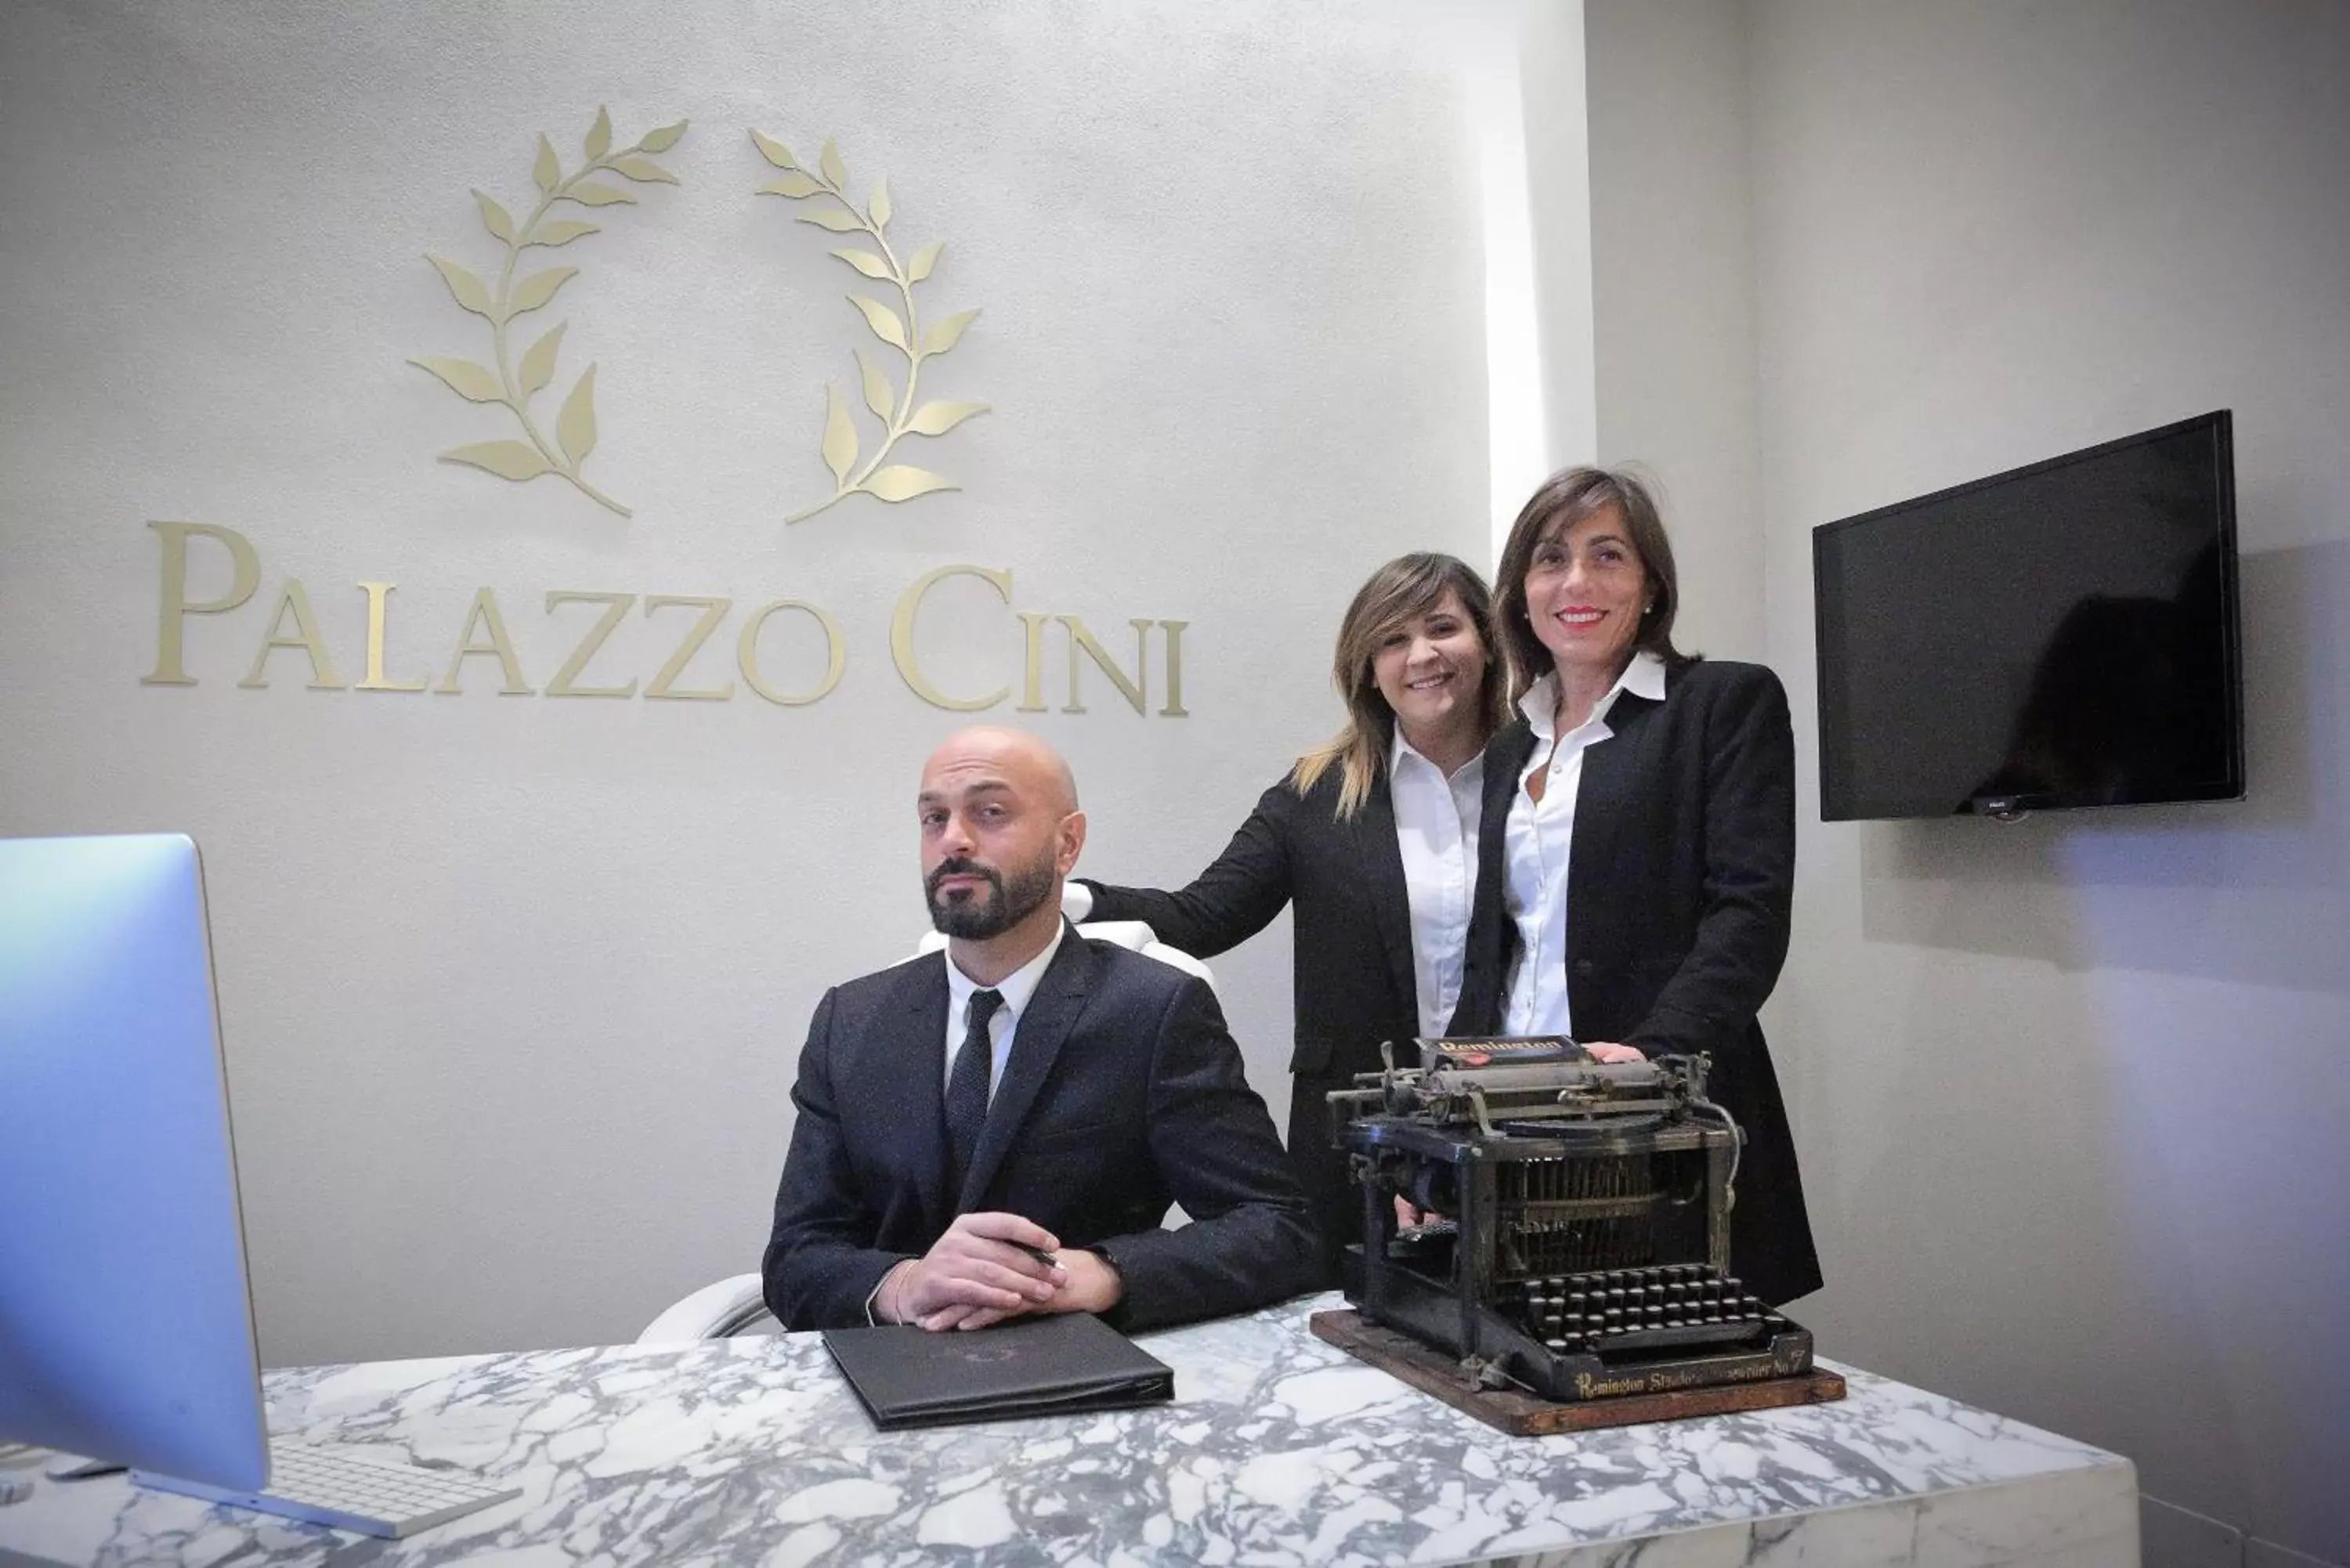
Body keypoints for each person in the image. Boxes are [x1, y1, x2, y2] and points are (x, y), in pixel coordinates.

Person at [762, 726, 1319, 1334]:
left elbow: (1276, 1226)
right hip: (886, 1375)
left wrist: (1103, 1273)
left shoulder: (1153, 1011)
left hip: (1082, 1375)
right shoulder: (852, 1019)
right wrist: (903, 1286)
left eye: (990, 812)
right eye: (933, 818)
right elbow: (798, 1253)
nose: (954, 840)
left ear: (1067, 843)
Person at [1072, 553, 1512, 1281]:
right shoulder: (1316, 793)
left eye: (1443, 628)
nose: (1423, 655)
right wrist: (1068, 896)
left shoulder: (1541, 778)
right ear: (1368, 668)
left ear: (1487, 643)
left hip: (1510, 1118)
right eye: (1393, 640)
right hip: (1356, 1132)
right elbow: (1201, 915)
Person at [1450, 466, 1824, 1306]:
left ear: (1651, 586)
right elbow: (1496, 960)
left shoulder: (1722, 703)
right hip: (1519, 1127)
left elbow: (1749, 913)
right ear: (1522, 591)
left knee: (1678, 1379)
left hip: (1663, 1119)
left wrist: (1652, 1054)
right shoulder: (1513, 747)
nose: (1577, 582)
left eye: (1607, 555)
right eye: (1551, 559)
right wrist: (1444, 1117)